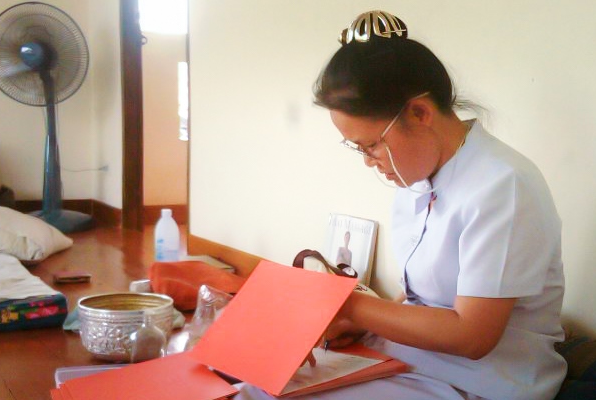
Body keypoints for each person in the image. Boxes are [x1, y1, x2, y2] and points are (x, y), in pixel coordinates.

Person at [238, 9, 566, 400]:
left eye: (372, 144)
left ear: (420, 112)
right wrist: (358, 322)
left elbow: (472, 336)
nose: (368, 160)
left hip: (479, 381)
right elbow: (419, 298)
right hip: (407, 361)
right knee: (253, 386)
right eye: (357, 148)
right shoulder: (419, 177)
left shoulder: (503, 185)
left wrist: (346, 304)